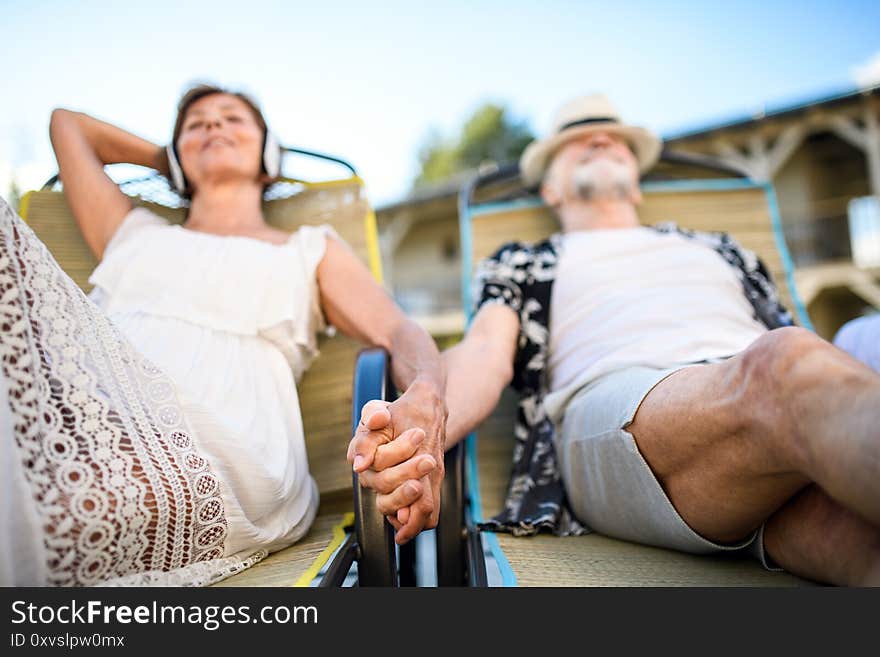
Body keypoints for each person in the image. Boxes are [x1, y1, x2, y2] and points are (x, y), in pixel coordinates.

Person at [351, 94, 880, 586]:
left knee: (843, 534)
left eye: (616, 138)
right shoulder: (525, 260)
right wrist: (424, 426)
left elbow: (799, 340)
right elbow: (487, 353)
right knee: (782, 369)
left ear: (636, 180)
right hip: (621, 403)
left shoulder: (720, 248)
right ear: (550, 188)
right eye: (576, 141)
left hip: (759, 397)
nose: (601, 139)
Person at [0, 84, 446, 586]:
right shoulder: (132, 231)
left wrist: (427, 391)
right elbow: (67, 123)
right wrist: (174, 158)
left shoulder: (308, 249)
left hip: (223, 433)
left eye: (232, 119)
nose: (212, 126)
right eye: (196, 124)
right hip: (84, 395)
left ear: (268, 154)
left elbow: (397, 328)